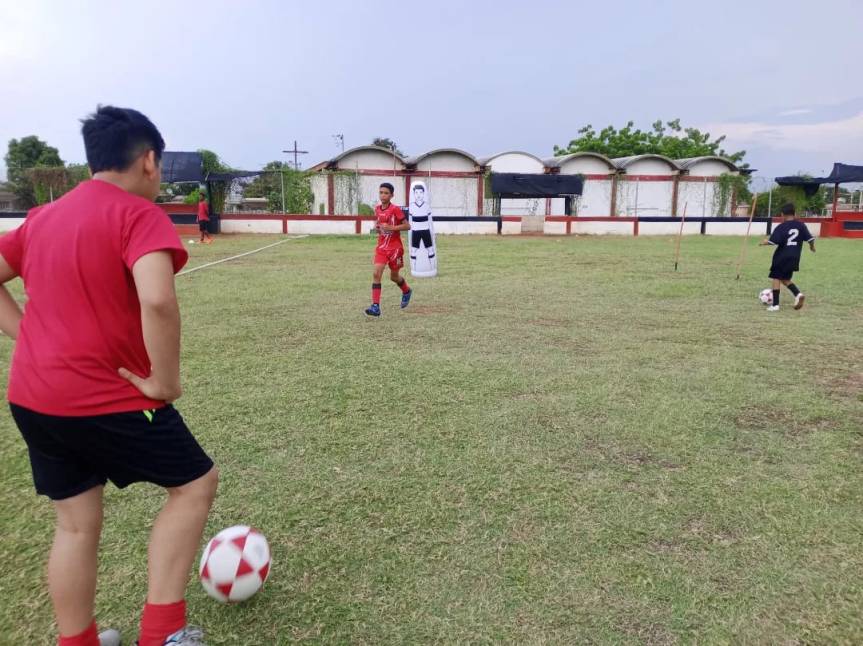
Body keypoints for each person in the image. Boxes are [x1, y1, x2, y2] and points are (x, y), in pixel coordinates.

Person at [0, 106, 217, 646]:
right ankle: (162, 633)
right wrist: (164, 383)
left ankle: (79, 642)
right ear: (148, 161)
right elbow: (159, 300)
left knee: (74, 524)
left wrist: (26, 334)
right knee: (194, 486)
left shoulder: (44, 217)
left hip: (33, 398)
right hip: (104, 397)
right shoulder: (140, 216)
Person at [365, 182, 412, 317]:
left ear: (391, 195)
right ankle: (375, 307)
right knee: (376, 274)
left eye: (386, 193)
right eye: (381, 192)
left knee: (394, 277)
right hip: (382, 248)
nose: (383, 195)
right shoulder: (378, 209)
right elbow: (379, 223)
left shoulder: (396, 209)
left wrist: (391, 228)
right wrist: (378, 227)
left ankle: (406, 290)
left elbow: (407, 226)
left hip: (395, 249)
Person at [759, 202, 815, 311]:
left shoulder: (781, 226)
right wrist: (812, 247)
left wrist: (764, 242)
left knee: (775, 277)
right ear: (794, 214)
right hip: (795, 256)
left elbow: (774, 241)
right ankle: (798, 295)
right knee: (784, 278)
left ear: (782, 214)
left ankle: (775, 305)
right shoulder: (801, 225)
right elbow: (810, 239)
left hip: (782, 256)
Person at [408, 181, 437, 276]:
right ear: (413, 194)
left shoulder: (426, 206)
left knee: (430, 250)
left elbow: (430, 221)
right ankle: (415, 269)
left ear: (424, 193)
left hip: (426, 231)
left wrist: (433, 232)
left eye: (420, 192)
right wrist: (410, 234)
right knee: (413, 251)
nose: (418, 195)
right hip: (416, 231)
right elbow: (410, 222)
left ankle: (432, 268)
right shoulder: (412, 206)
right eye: (416, 192)